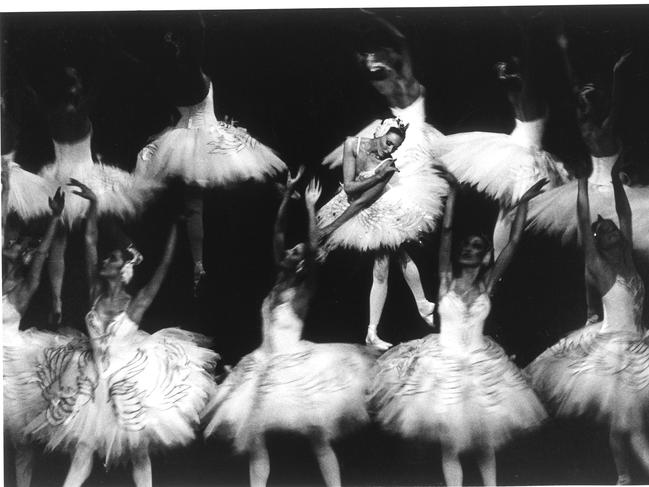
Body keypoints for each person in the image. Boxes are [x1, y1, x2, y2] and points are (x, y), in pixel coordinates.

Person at [25, 179, 218, 487]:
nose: (104, 259)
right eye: (107, 257)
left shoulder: (134, 304)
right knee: (82, 451)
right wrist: (94, 206)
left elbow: (163, 269)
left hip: (128, 377)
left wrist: (175, 231)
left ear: (122, 269)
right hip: (91, 375)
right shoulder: (94, 292)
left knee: (139, 452)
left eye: (111, 258)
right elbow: (89, 241)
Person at [369, 167, 548, 486]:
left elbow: (514, 242)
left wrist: (523, 203)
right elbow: (448, 232)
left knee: (484, 440)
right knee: (451, 442)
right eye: (468, 246)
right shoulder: (447, 280)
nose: (470, 250)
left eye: (477, 248)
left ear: (483, 259)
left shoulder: (487, 284)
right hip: (445, 364)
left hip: (480, 366)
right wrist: (452, 193)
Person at [203, 170, 377, 487]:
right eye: (290, 251)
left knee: (317, 435)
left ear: (301, 263)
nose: (289, 252)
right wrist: (286, 197)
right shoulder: (277, 282)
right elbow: (278, 233)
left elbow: (310, 249)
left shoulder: (305, 290)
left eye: (294, 253)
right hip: (263, 362)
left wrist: (310, 207)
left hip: (295, 364)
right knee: (253, 433)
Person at [135, 15, 286, 293]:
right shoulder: (191, 72)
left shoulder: (171, 77)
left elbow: (180, 111)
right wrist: (198, 26)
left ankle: (198, 264)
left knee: (196, 203)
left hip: (186, 137)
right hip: (204, 134)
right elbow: (196, 51)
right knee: (233, 180)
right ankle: (200, 264)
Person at [525, 160, 649, 485]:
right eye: (603, 231)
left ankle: (622, 477)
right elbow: (584, 222)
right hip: (616, 351)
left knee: (622, 422)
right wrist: (582, 183)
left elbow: (625, 214)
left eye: (612, 228)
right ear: (599, 243)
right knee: (631, 423)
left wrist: (615, 181)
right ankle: (629, 477)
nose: (610, 229)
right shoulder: (599, 266)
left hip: (639, 344)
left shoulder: (630, 263)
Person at [437, 15, 570, 259]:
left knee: (508, 211)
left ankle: (497, 256)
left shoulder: (517, 94)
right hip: (523, 151)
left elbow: (524, 73)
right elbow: (530, 69)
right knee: (509, 211)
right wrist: (530, 39)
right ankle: (498, 257)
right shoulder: (529, 95)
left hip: (520, 145)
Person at [38, 66, 160, 326]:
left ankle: (57, 300)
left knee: (62, 239)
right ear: (68, 88)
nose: (77, 86)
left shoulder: (53, 113)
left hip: (61, 177)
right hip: (81, 174)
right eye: (73, 82)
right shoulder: (74, 111)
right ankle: (128, 249)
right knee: (94, 217)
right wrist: (113, 62)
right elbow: (97, 91)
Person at [318, 117, 445, 350]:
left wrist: (378, 176)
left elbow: (361, 202)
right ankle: (419, 305)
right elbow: (348, 188)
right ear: (379, 133)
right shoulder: (352, 144)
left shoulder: (388, 165)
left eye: (395, 147)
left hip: (375, 207)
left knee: (385, 264)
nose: (390, 149)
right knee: (391, 260)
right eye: (388, 143)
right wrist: (331, 226)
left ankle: (378, 328)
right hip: (353, 204)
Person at [526, 42, 649, 269]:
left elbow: (616, 103)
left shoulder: (601, 129)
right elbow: (579, 91)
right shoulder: (590, 126)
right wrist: (563, 49)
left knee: (611, 243)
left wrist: (617, 73)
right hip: (596, 187)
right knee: (597, 244)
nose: (583, 102)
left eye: (586, 101)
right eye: (583, 101)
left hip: (604, 190)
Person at [3, 181, 70, 487]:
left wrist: (55, 218)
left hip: (10, 363)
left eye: (15, 244)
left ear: (20, 254)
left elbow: (42, 254)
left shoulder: (24, 288)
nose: (9, 243)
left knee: (19, 439)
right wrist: (4, 190)